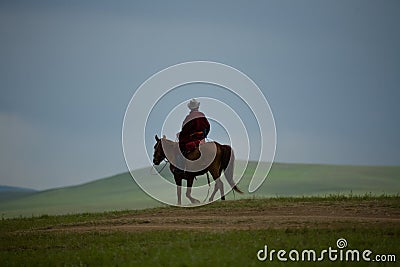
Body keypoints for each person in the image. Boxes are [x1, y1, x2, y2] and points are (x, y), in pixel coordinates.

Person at [174, 99, 210, 173]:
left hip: (192, 138)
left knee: (179, 148)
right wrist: (204, 135)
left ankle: (180, 168)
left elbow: (185, 130)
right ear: (197, 107)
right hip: (201, 138)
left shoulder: (189, 117)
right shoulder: (202, 115)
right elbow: (208, 127)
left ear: (190, 108)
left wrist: (180, 134)